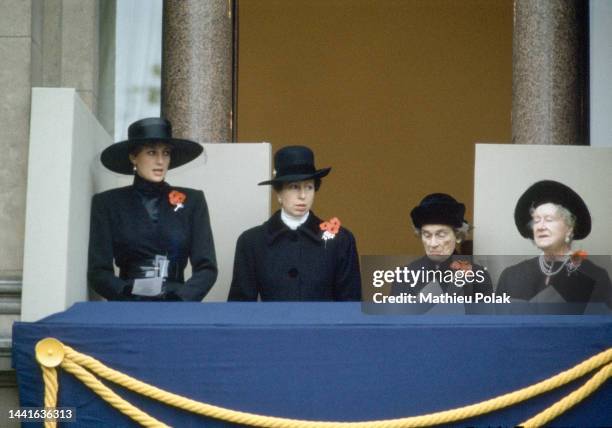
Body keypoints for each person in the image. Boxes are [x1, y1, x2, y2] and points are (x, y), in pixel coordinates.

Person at [88, 117, 217, 301]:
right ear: (133, 156)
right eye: (151, 152)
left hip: (177, 304)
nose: (160, 161)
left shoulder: (192, 202)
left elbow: (207, 268)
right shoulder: (108, 204)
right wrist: (125, 292)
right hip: (128, 304)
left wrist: (182, 297)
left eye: (166, 153)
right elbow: (98, 271)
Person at [228, 145, 361, 301]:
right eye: (294, 187)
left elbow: (351, 305)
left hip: (323, 325)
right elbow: (240, 307)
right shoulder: (252, 241)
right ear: (278, 193)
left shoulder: (340, 240)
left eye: (309, 187)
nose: (303, 195)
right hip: (271, 325)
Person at [496, 180, 612, 313]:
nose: (540, 226)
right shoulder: (511, 276)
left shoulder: (594, 276)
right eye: (536, 220)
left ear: (569, 227)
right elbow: (499, 329)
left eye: (549, 219)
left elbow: (601, 331)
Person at [393, 193, 493, 313]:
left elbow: (485, 328)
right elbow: (396, 328)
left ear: (457, 235)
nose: (433, 243)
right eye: (427, 235)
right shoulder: (404, 277)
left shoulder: (478, 276)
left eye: (441, 235)